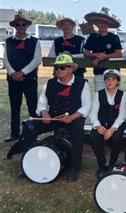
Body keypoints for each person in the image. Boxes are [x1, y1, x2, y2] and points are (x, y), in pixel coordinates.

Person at [12, 54, 91, 182]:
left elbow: (87, 105)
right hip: (53, 117)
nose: (58, 70)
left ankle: (75, 167)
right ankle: (28, 162)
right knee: (29, 126)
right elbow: (42, 102)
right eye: (57, 68)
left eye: (62, 67)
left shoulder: (82, 83)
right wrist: (44, 113)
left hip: (72, 118)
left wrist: (72, 117)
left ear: (71, 69)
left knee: (78, 130)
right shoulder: (50, 83)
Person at [4, 12, 42, 142]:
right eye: (18, 24)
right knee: (15, 107)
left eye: (23, 24)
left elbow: (37, 60)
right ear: (14, 26)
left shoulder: (34, 41)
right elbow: (6, 60)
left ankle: (35, 134)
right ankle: (15, 134)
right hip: (13, 80)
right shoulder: (8, 41)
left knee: (33, 107)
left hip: (29, 79)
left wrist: (23, 72)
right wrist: (12, 73)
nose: (20, 26)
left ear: (27, 26)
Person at [89, 69, 126, 178]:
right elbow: (93, 113)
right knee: (94, 137)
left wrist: (113, 128)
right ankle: (102, 165)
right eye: (107, 79)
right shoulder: (98, 94)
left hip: (116, 123)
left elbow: (122, 115)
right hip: (101, 123)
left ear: (118, 82)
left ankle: (112, 164)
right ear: (104, 81)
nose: (110, 82)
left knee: (117, 138)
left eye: (113, 79)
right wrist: (97, 125)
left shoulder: (123, 95)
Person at [83, 10, 122, 91]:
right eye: (100, 22)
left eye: (105, 22)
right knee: (100, 98)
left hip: (113, 72)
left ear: (108, 24)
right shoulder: (92, 37)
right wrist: (96, 55)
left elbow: (119, 54)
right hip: (99, 73)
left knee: (115, 99)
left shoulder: (114, 37)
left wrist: (104, 56)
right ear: (97, 24)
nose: (103, 24)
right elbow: (86, 52)